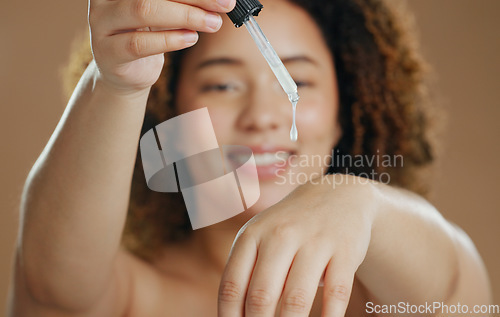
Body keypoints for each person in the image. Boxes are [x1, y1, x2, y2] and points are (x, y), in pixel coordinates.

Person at [9, 0, 491, 316]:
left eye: (298, 82)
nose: (262, 116)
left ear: (346, 116)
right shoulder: (132, 298)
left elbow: (456, 287)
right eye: (222, 84)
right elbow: (51, 286)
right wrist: (117, 81)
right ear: (167, 115)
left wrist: (357, 198)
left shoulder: (388, 294)